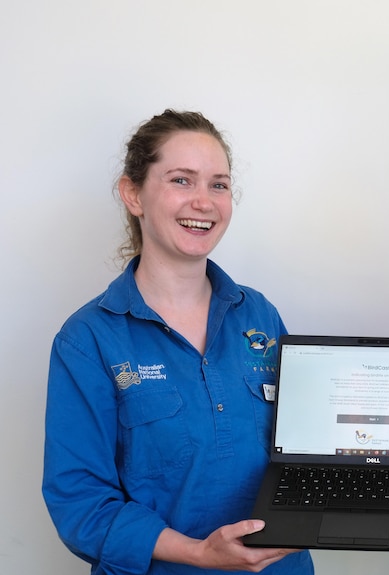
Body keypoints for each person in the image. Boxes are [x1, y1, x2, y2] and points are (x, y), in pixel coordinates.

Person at [42, 110, 314, 575]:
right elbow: (81, 504)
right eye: (182, 180)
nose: (204, 202)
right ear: (133, 194)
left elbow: (305, 444)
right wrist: (200, 554)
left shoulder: (261, 316)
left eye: (219, 185)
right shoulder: (88, 340)